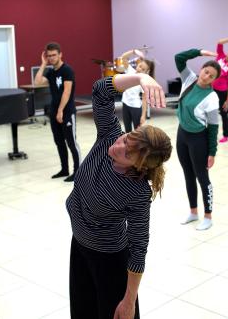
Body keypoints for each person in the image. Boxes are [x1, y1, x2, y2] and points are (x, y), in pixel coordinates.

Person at [66, 73, 172, 319]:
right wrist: (140, 77)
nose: (119, 146)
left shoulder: (136, 192)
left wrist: (130, 299)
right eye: (127, 139)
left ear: (139, 166)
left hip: (109, 259)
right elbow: (99, 90)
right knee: (82, 312)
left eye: (127, 153)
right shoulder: (109, 136)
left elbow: (138, 248)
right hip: (80, 245)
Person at [175, 48, 220, 230]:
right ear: (201, 69)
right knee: (188, 175)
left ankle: (208, 216)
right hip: (182, 134)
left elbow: (213, 128)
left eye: (211, 76)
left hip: (198, 139)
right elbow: (178, 57)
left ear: (214, 81)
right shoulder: (189, 78)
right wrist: (199, 51)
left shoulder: (212, 97)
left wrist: (212, 152)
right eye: (206, 71)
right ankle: (193, 212)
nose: (207, 76)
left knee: (202, 177)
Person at [34, 42, 80, 182]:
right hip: (54, 112)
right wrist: (43, 64)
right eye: (49, 56)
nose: (52, 58)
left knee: (71, 142)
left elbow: (67, 92)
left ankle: (78, 171)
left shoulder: (67, 70)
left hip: (66, 111)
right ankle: (64, 169)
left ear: (60, 54)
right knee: (59, 141)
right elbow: (37, 82)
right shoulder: (50, 72)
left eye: (54, 55)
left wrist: (60, 111)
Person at [119, 49, 155, 133]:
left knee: (137, 132)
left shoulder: (143, 81)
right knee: (127, 130)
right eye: (140, 66)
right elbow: (123, 57)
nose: (139, 69)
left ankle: (137, 145)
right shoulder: (129, 70)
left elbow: (144, 99)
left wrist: (143, 115)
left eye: (143, 69)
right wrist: (134, 51)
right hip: (125, 104)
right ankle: (128, 145)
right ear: (138, 63)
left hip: (136, 107)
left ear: (146, 72)